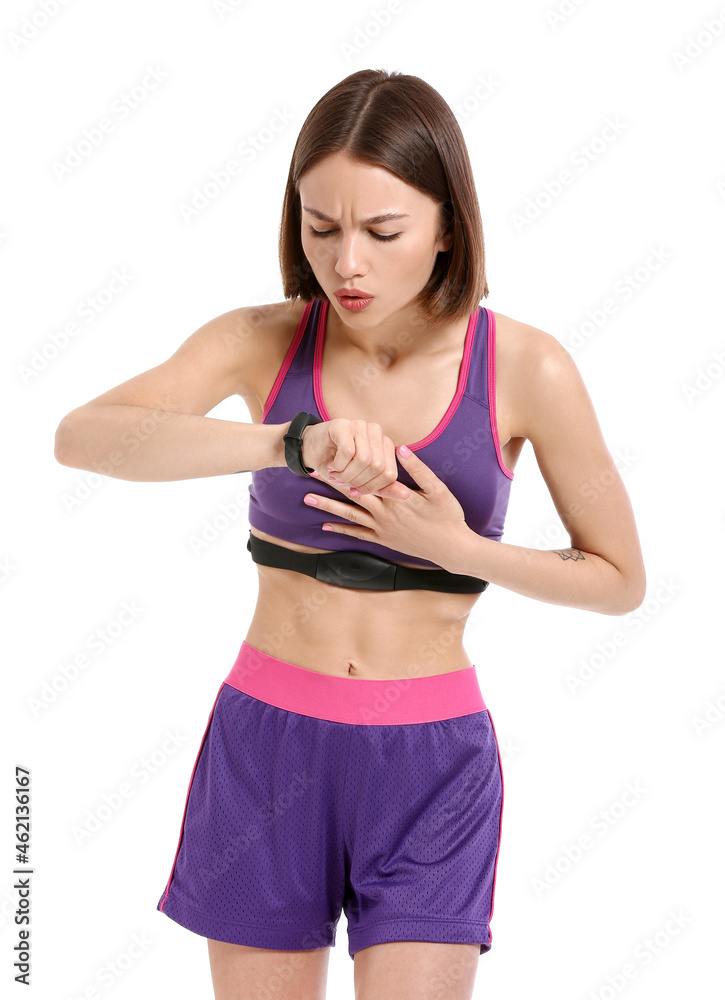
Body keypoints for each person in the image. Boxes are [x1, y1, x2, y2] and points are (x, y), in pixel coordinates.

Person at [54, 68, 646, 1000]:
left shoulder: (528, 365)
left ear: (448, 222)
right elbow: (83, 438)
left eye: (382, 231)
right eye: (320, 228)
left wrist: (461, 550)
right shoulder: (262, 338)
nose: (347, 265)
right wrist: (288, 442)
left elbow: (618, 579)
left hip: (430, 766)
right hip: (265, 745)